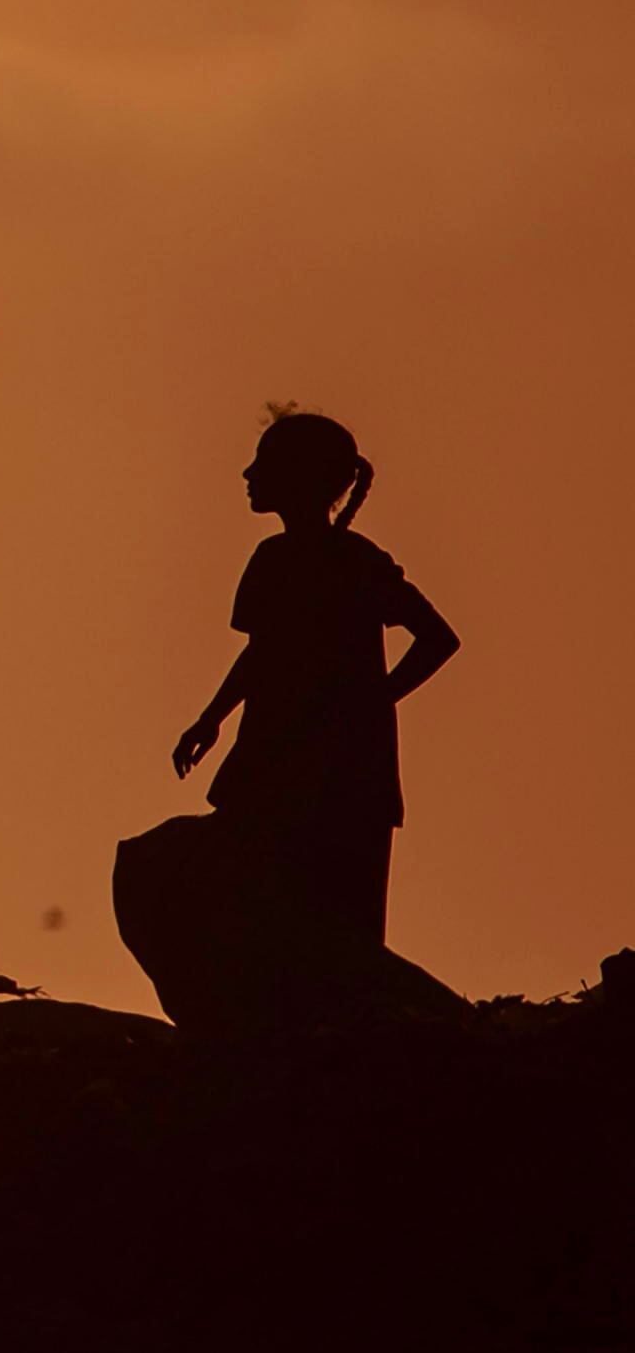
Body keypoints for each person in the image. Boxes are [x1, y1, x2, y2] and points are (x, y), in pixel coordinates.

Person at [172, 408, 456, 957]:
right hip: (272, 754)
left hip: (345, 772)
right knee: (261, 913)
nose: (247, 474)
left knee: (342, 931)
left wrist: (374, 700)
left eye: (263, 463)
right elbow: (262, 653)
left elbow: (438, 637)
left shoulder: (357, 563)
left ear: (300, 477)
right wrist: (211, 719)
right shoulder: (271, 561)